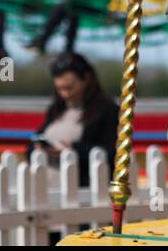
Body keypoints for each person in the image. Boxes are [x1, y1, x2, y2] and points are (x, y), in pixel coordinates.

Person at [34, 53, 118, 188]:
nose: (65, 93)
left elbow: (111, 154)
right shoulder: (55, 110)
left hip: (83, 190)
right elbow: (35, 140)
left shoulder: (107, 111)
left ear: (86, 79)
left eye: (69, 87)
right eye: (60, 88)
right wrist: (39, 147)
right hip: (47, 189)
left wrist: (73, 150)